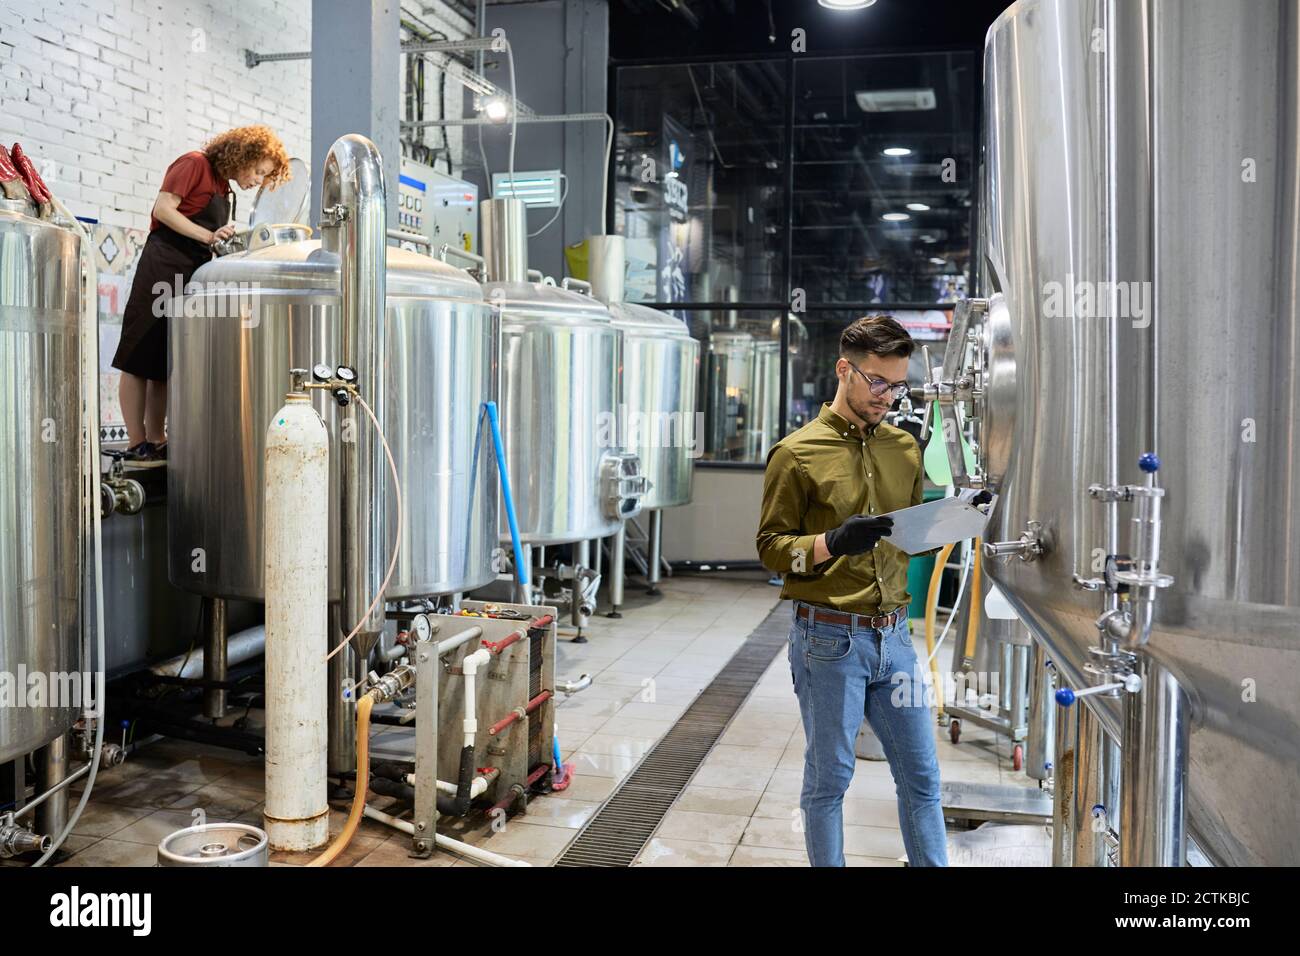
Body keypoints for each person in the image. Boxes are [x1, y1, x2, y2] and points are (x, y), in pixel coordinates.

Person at [756, 314, 949, 867]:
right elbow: (771, 547)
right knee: (830, 778)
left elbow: (907, 537)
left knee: (922, 776)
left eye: (897, 385)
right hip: (829, 640)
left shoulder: (903, 450)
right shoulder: (795, 453)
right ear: (844, 369)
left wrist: (940, 530)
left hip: (896, 640)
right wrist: (831, 542)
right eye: (876, 382)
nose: (887, 397)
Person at [110, 125, 291, 460]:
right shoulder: (194, 164)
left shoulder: (225, 188)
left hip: (190, 269)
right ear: (243, 155)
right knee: (137, 357)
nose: (255, 181)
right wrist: (209, 238)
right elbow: (163, 210)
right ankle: (136, 442)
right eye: (257, 171)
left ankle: (157, 437)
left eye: (263, 176)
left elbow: (207, 232)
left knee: (163, 359)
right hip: (161, 262)